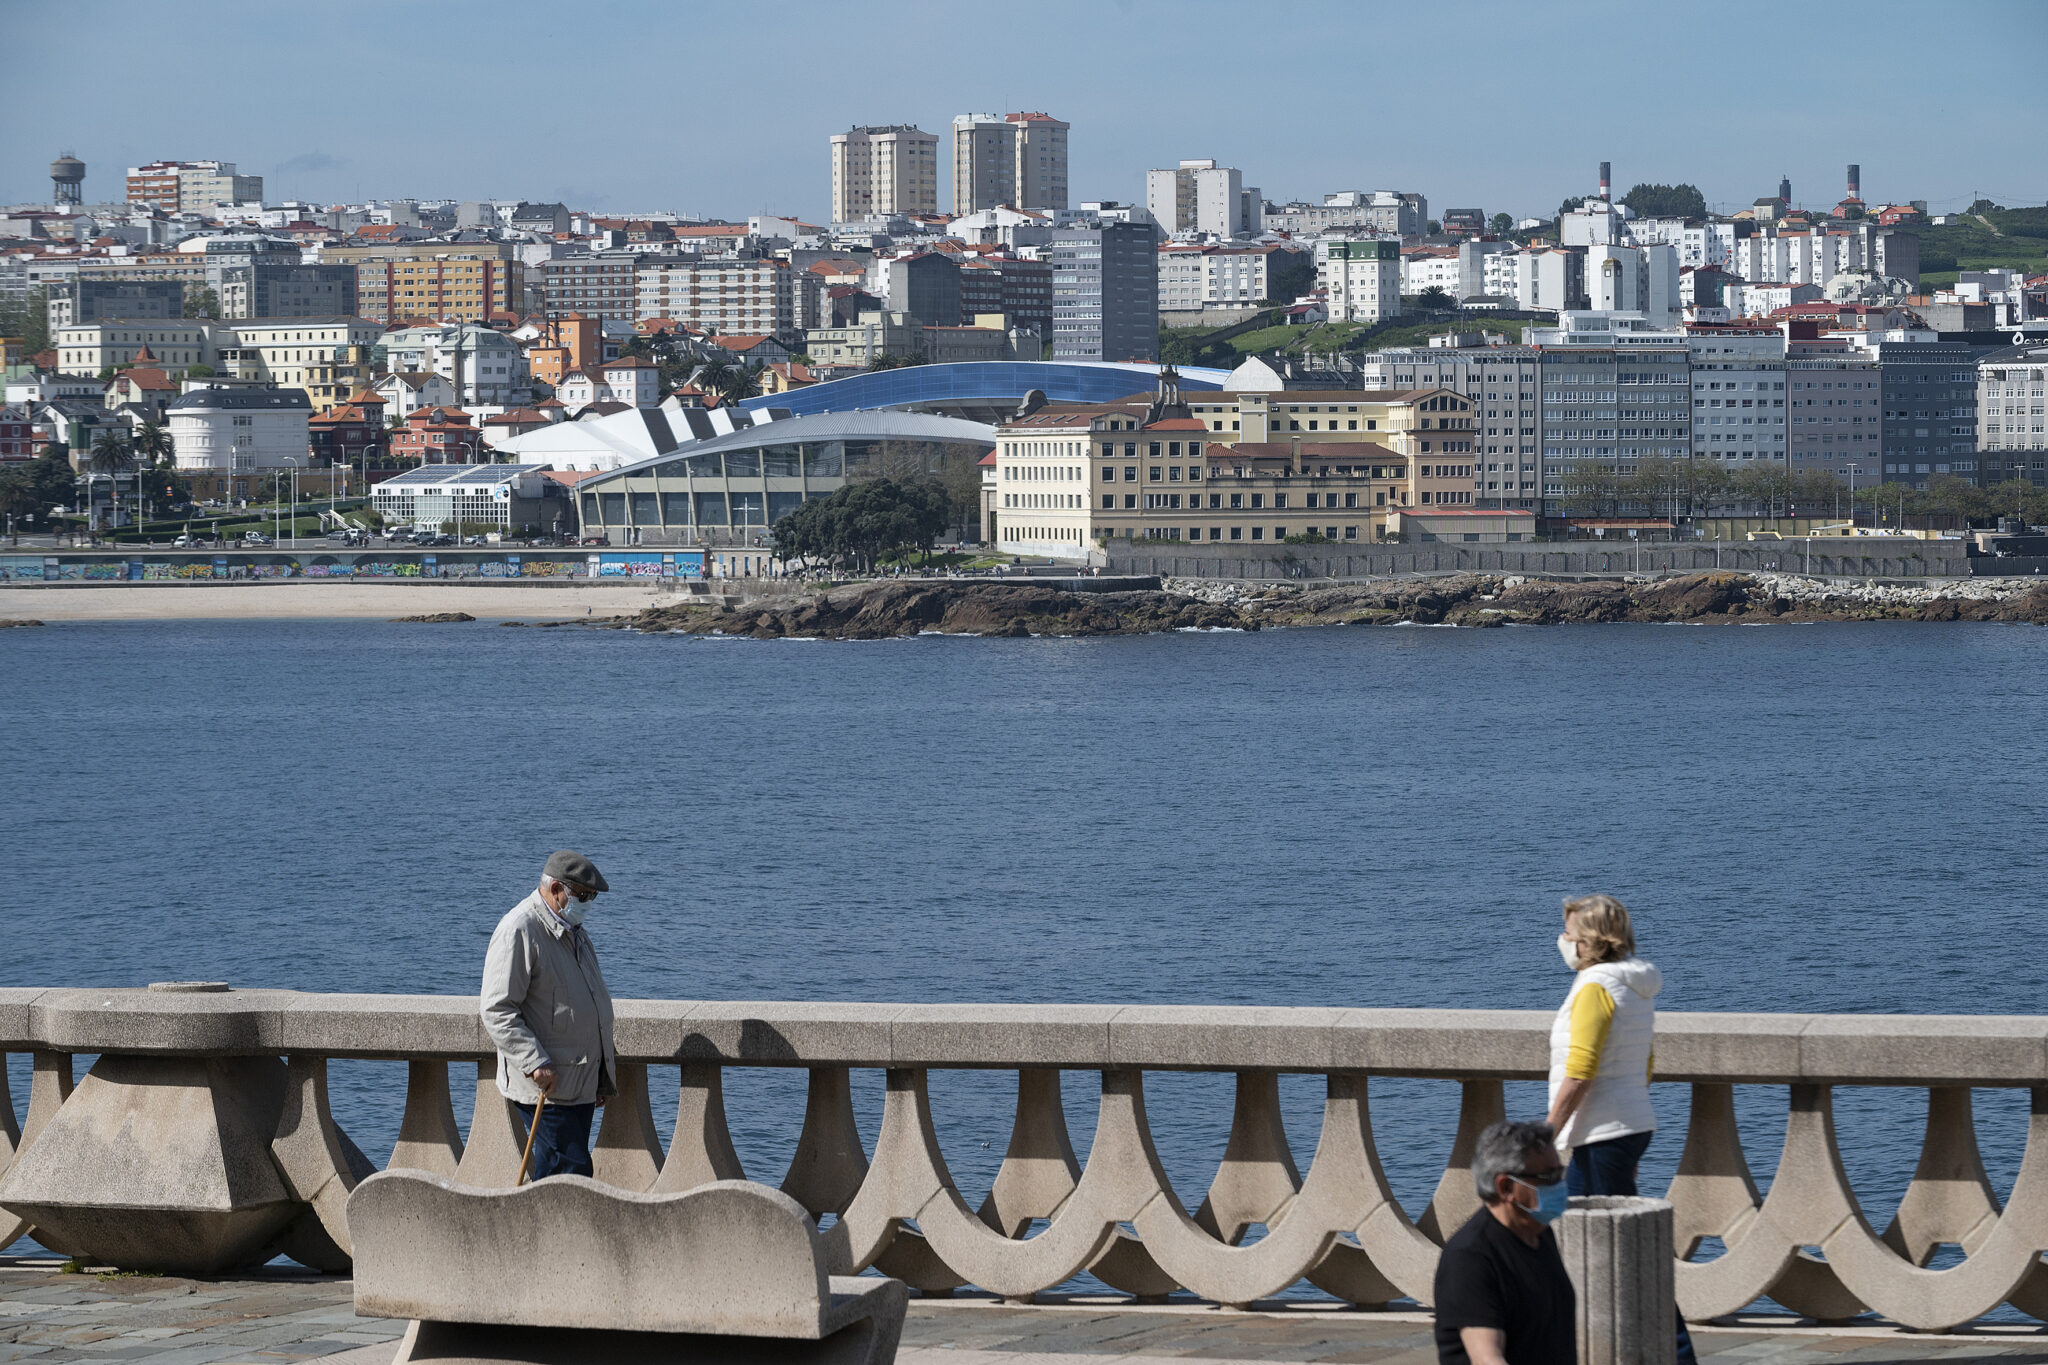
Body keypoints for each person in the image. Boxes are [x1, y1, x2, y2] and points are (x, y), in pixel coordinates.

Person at [1545, 892, 1695, 1365]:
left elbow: (1581, 1069)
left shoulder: (1595, 986)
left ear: (1591, 940)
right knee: (1595, 1247)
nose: (1562, 941)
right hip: (1625, 1126)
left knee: (1619, 1253)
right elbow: (1645, 1062)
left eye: (1570, 933)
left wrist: (1547, 1132)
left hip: (1602, 1132)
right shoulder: (1634, 983)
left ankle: (1676, 1353)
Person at [479, 850, 618, 1180]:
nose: (588, 904)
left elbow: (588, 1003)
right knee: (570, 1175)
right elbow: (497, 1009)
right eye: (583, 896)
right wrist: (535, 1062)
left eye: (592, 897)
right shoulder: (519, 929)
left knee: (562, 1175)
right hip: (547, 1087)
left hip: (579, 1083)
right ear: (556, 889)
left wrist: (601, 1072)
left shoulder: (574, 931)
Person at [1433, 1119, 1576, 1365]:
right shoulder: (1470, 1259)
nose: (1560, 1185)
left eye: (1559, 1173)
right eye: (1548, 1176)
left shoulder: (1539, 1233)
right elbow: (1487, 1358)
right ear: (1506, 1186)